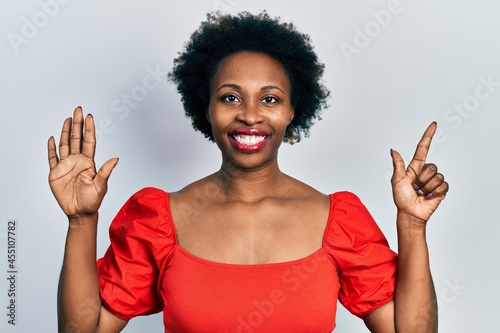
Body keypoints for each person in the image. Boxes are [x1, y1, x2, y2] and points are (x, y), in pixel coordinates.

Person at [48, 11, 449, 333]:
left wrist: (411, 225)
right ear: (206, 108)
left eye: (270, 99)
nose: (251, 115)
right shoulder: (159, 220)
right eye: (230, 97)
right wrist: (82, 221)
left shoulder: (338, 219)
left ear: (293, 111)